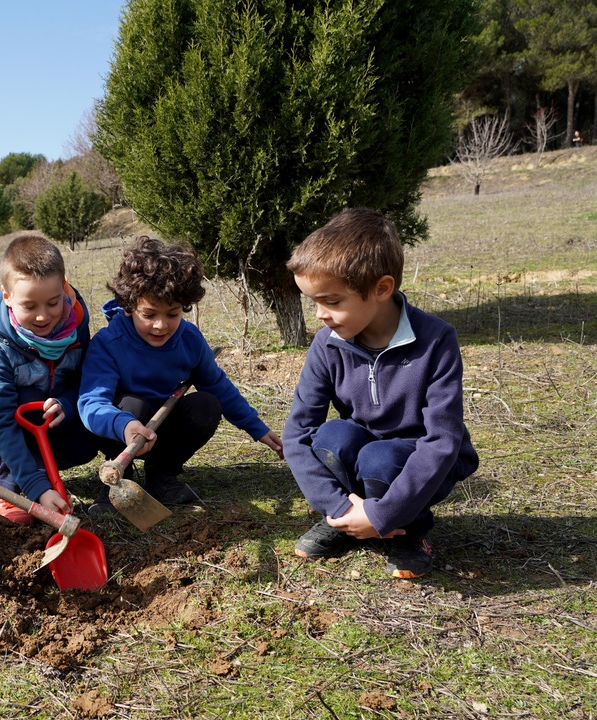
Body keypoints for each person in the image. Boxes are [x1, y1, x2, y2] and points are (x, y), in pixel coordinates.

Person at [284, 208, 479, 579]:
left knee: (380, 458)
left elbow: (441, 440)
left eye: (332, 301)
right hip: (363, 454)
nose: (320, 315)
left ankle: (410, 531)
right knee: (331, 436)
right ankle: (343, 523)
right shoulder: (327, 343)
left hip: (417, 458)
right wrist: (336, 506)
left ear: (382, 289)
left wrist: (383, 514)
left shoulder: (436, 340)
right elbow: (297, 433)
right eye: (314, 302)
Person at [78, 236, 282, 517]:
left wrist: (255, 427)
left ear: (184, 307)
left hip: (165, 425)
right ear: (128, 305)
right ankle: (116, 477)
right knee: (132, 406)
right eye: (149, 314)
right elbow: (91, 403)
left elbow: (219, 386)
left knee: (207, 405)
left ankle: (162, 475)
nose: (161, 325)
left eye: (172, 314)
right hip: (122, 429)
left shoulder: (189, 340)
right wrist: (124, 426)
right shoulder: (108, 343)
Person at [0, 233, 96, 524]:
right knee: (25, 404)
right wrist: (37, 488)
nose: (42, 316)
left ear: (64, 288)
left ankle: (37, 471)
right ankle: (8, 489)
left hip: (48, 403)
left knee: (85, 442)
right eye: (30, 306)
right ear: (7, 297)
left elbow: (83, 379)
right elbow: (1, 419)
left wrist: (67, 404)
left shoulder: (76, 324)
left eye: (52, 302)